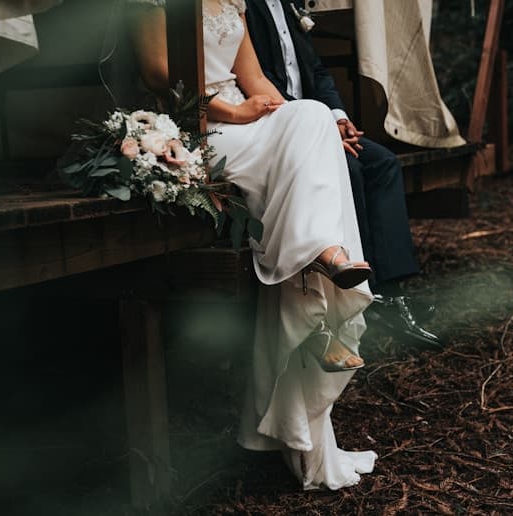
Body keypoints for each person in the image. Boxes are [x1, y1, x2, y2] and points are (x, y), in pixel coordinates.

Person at [130, 0, 378, 490]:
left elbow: (257, 78)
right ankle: (324, 279)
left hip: (250, 122)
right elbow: (161, 76)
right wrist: (235, 110)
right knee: (312, 142)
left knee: (312, 117)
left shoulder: (232, 0)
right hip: (200, 130)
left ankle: (321, 257)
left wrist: (300, 124)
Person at [244, 0, 441, 346]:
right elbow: (256, 82)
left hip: (320, 122)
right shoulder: (245, 7)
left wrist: (337, 117)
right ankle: (363, 298)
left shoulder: (290, 5)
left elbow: (317, 70)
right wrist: (318, 126)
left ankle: (392, 295)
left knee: (382, 163)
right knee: (348, 169)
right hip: (281, 126)